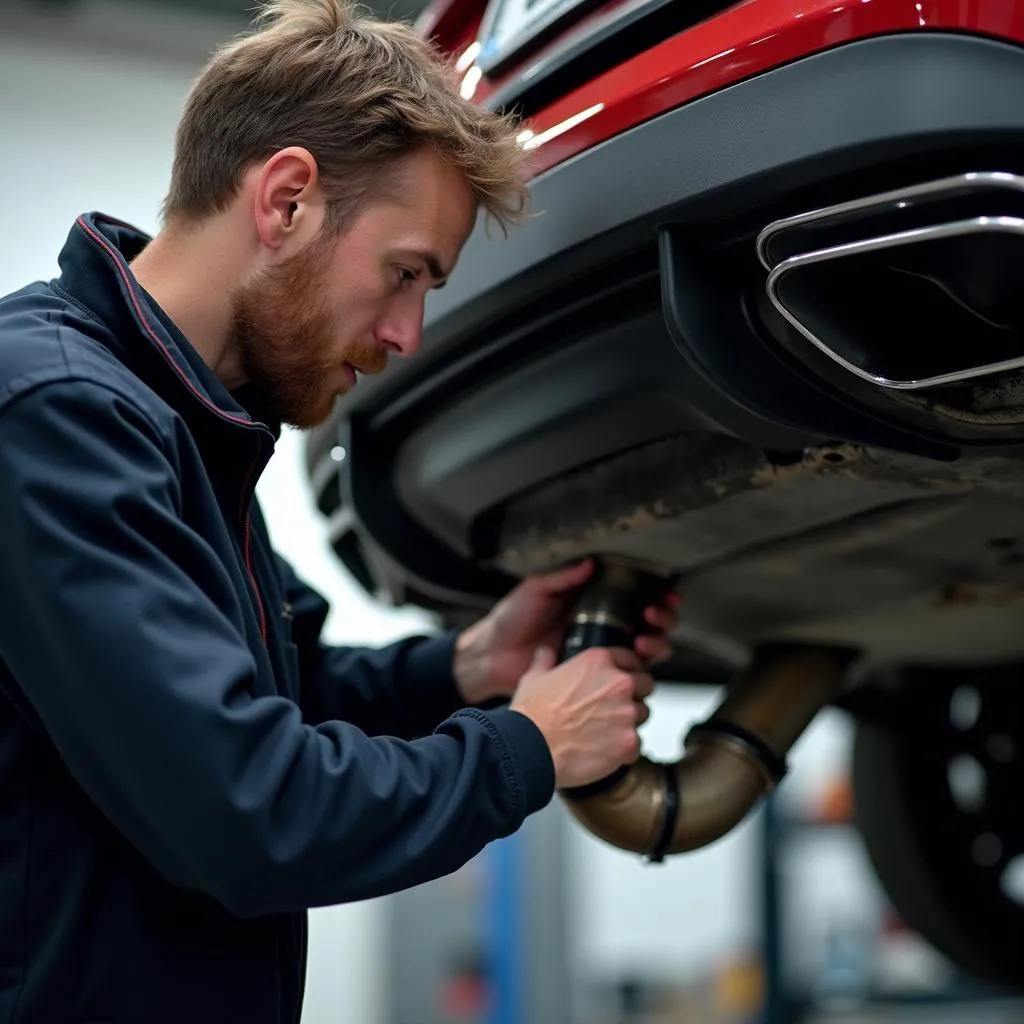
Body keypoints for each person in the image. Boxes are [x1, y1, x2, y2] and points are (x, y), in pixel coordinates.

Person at [0, 1, 680, 1021]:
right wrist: (526, 746)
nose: (406, 332)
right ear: (285, 202)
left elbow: (282, 692)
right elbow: (245, 807)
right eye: (404, 274)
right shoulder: (55, 413)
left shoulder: (185, 423)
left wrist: (467, 668)